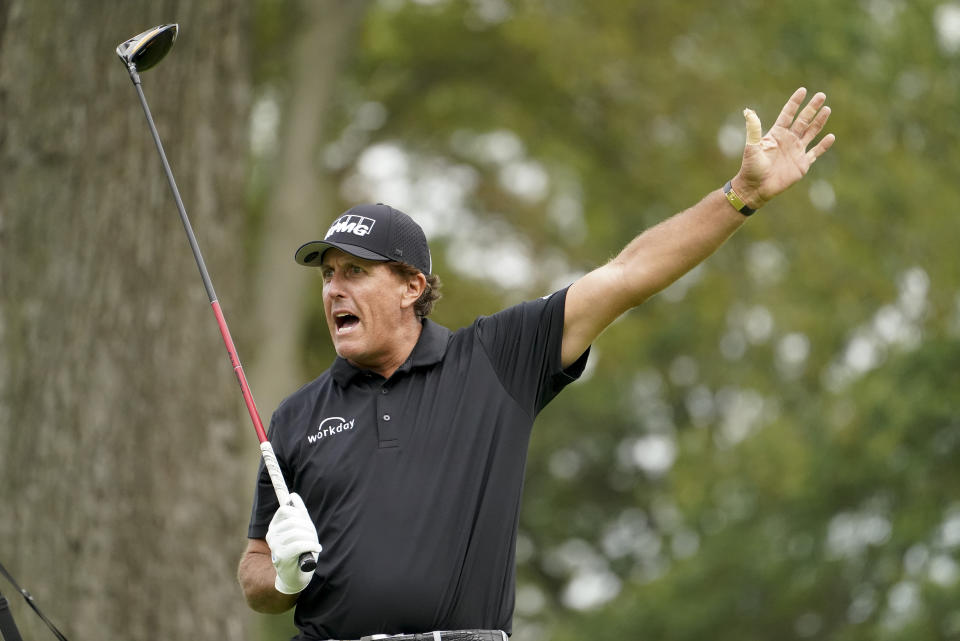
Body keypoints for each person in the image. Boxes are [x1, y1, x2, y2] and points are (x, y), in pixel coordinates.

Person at [237, 87, 835, 641]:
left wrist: (740, 197)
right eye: (328, 274)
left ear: (411, 287)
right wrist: (283, 578)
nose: (334, 290)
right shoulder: (296, 417)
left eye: (356, 272)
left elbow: (625, 276)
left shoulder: (494, 360)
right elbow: (255, 570)